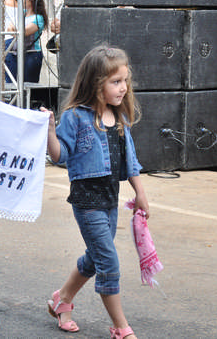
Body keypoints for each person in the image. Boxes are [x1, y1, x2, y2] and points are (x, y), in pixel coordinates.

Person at [41, 45, 149, 339]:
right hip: (87, 202)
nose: (123, 87)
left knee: (96, 256)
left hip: (109, 200)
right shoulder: (76, 117)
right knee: (108, 262)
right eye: (116, 81)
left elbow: (130, 161)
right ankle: (121, 328)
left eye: (125, 80)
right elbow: (60, 156)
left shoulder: (119, 118)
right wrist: (50, 132)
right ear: (95, 83)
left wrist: (140, 193)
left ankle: (62, 299)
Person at [4, 0, 48, 83]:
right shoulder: (22, 13)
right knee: (13, 82)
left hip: (31, 54)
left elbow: (23, 32)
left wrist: (15, 30)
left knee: (28, 83)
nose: (22, 1)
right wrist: (15, 30)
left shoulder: (38, 18)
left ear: (32, 1)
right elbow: (10, 27)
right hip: (16, 53)